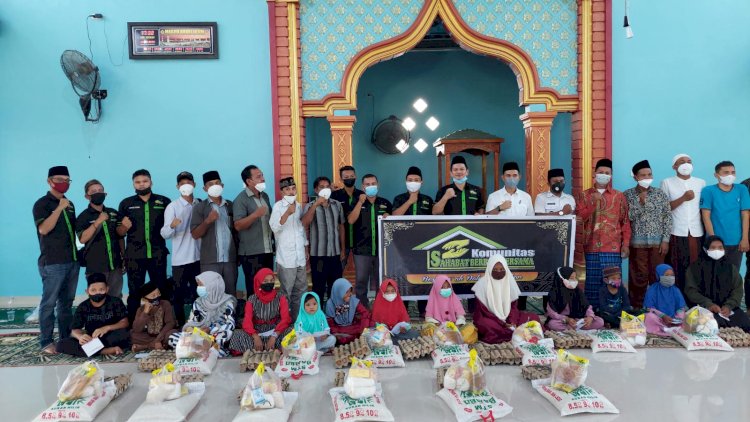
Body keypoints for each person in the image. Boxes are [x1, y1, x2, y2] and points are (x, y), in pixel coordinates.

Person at [33, 165, 80, 354]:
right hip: (53, 262)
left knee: (66, 303)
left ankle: (65, 339)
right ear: (49, 181)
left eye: (67, 180)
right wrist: (59, 208)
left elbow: (73, 232)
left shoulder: (70, 204)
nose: (64, 183)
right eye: (59, 180)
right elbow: (44, 229)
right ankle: (46, 341)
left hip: (72, 260)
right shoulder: (42, 204)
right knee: (49, 304)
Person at [576, 158, 631, 306]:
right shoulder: (584, 195)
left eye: (607, 173)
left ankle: (613, 311)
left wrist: (626, 244)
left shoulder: (619, 196)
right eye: (601, 172)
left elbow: (625, 222)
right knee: (592, 284)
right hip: (591, 247)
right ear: (594, 174)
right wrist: (593, 203)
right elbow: (580, 218)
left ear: (611, 176)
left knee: (613, 283)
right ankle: (592, 313)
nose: (604, 175)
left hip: (613, 247)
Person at [118, 169, 171, 321]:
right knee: (134, 292)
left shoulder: (164, 202)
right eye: (138, 182)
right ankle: (133, 326)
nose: (141, 185)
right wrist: (124, 227)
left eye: (145, 181)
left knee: (162, 290)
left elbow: (170, 227)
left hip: (157, 254)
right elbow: (120, 233)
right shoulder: (126, 203)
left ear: (151, 182)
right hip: (134, 256)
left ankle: (165, 324)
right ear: (133, 184)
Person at [623, 160, 672, 308]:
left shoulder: (660, 194)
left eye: (649, 174)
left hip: (658, 244)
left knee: (657, 275)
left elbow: (667, 217)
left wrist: (665, 240)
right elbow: (627, 218)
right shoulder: (627, 195)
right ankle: (637, 307)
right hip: (637, 244)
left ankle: (657, 307)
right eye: (643, 175)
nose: (647, 177)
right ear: (635, 177)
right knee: (638, 276)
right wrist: (640, 203)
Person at [700, 161, 750, 304]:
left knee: (732, 275)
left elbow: (745, 214)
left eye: (733, 172)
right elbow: (706, 215)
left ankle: (730, 306)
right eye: (726, 172)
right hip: (716, 243)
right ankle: (712, 306)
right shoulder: (708, 191)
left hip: (736, 242)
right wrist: (713, 239)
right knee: (712, 275)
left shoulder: (741, 189)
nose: (730, 175)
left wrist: (745, 238)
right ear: (716, 175)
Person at [160, 171, 200, 326]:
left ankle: (199, 323)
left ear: (194, 184)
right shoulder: (173, 207)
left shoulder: (199, 203)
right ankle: (181, 325)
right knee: (179, 295)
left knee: (199, 294)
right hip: (180, 260)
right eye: (182, 184)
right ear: (178, 187)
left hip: (198, 258)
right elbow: (165, 234)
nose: (186, 186)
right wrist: (172, 225)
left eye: (189, 183)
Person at [685, 236, 750, 332]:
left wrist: (729, 305)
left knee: (744, 322)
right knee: (709, 324)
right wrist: (708, 304)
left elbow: (737, 289)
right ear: (705, 249)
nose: (717, 250)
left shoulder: (730, 268)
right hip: (703, 308)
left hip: (727, 310)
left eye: (720, 248)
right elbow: (691, 291)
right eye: (713, 248)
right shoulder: (694, 269)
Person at [661, 154, 706, 291]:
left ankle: (694, 297)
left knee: (695, 266)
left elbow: (704, 208)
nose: (686, 164)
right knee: (677, 266)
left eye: (689, 161)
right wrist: (683, 198)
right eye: (682, 162)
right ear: (674, 166)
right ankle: (678, 297)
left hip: (696, 231)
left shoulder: (701, 183)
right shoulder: (667, 182)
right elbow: (664, 209)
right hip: (676, 231)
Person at [56, 273, 130, 356]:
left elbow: (125, 322)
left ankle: (93, 350)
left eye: (101, 289)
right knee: (61, 345)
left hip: (111, 336)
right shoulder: (83, 307)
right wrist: (80, 337)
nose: (97, 293)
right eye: (93, 290)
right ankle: (104, 351)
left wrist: (107, 328)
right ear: (87, 291)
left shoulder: (115, 302)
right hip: (92, 339)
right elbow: (74, 330)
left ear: (107, 289)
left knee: (125, 334)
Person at [472, 255, 540, 343]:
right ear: (489, 269)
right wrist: (503, 323)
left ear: (506, 269)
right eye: (495, 269)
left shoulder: (510, 282)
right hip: (489, 318)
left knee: (533, 317)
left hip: (508, 318)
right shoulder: (482, 284)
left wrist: (512, 322)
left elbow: (513, 307)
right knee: (487, 325)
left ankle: (513, 331)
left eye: (501, 269)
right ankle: (516, 332)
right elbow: (483, 311)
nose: (498, 272)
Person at [347, 174, 392, 306]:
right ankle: (363, 309)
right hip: (362, 250)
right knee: (361, 282)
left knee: (381, 282)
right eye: (367, 184)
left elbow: (393, 224)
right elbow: (351, 220)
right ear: (363, 187)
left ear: (378, 185)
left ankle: (380, 308)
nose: (371, 186)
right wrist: (360, 202)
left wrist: (388, 216)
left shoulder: (385, 203)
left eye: (373, 183)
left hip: (381, 250)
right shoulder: (356, 202)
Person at [191, 170, 238, 296]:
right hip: (210, 261)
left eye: (217, 183)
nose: (215, 186)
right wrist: (208, 221)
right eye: (210, 184)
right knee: (211, 295)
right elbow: (195, 234)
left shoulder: (230, 205)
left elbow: (236, 232)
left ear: (222, 186)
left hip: (230, 260)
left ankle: (231, 310)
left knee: (230, 294)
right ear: (205, 188)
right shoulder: (199, 207)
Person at [168, 271, 237, 356]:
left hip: (215, 335)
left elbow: (230, 324)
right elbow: (192, 321)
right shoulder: (198, 302)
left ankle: (197, 350)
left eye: (201, 285)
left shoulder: (227, 302)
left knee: (227, 333)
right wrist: (192, 329)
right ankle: (204, 351)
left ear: (212, 286)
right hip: (199, 335)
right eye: (198, 285)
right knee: (172, 338)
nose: (198, 288)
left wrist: (210, 329)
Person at [76, 179, 124, 298]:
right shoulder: (83, 217)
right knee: (97, 298)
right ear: (87, 196)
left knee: (116, 298)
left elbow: (120, 237)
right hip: (95, 266)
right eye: (94, 191)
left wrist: (124, 256)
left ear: (105, 193)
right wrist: (97, 222)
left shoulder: (113, 213)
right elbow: (82, 239)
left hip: (115, 265)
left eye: (100, 190)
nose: (98, 193)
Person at [302, 176, 345, 302]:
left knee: (335, 287)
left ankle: (333, 312)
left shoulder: (337, 205)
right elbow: (305, 223)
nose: (325, 189)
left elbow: (341, 227)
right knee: (318, 287)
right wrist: (316, 204)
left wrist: (343, 249)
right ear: (316, 190)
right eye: (322, 187)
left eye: (327, 186)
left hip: (335, 254)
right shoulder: (310, 206)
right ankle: (318, 312)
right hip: (318, 256)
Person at [229, 268, 292, 352]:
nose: (269, 283)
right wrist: (255, 336)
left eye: (271, 280)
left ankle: (260, 348)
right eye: (265, 281)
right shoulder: (252, 299)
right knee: (236, 334)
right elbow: (247, 320)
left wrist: (274, 336)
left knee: (291, 331)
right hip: (257, 331)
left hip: (275, 330)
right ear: (259, 282)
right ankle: (268, 347)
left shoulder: (280, 297)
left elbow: (285, 319)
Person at [270, 177, 308, 319]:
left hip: (300, 257)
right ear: (282, 192)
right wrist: (287, 213)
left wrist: (305, 247)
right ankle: (284, 321)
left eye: (293, 188)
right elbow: (274, 227)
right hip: (286, 258)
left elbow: (300, 228)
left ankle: (297, 319)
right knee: (286, 292)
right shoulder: (278, 207)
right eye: (287, 189)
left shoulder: (298, 206)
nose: (291, 192)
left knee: (301, 291)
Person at [233, 165, 274, 297]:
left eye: (262, 175)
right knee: (254, 289)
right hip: (251, 253)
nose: (263, 178)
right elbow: (238, 225)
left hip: (267, 250)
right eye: (258, 176)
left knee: (268, 287)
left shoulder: (265, 196)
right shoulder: (241, 199)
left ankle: (268, 310)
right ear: (249, 181)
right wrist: (255, 215)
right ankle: (254, 311)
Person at [546, 267, 604, 331]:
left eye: (575, 278)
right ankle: (574, 328)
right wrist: (567, 319)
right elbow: (551, 313)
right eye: (571, 278)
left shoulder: (577, 291)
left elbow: (587, 306)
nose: (574, 280)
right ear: (562, 279)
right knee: (552, 324)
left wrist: (590, 317)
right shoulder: (554, 293)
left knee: (600, 321)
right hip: (563, 320)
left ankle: (572, 328)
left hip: (578, 319)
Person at [331, 166, 364, 268]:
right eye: (346, 177)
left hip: (360, 241)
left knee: (363, 272)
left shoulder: (362, 195)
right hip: (340, 242)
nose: (349, 178)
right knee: (337, 271)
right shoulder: (334, 195)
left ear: (356, 177)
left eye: (352, 176)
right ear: (341, 179)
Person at [131, 281, 178, 351]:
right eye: (153, 296)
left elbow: (170, 323)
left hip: (164, 334)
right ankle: (159, 345)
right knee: (133, 335)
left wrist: (158, 340)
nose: (157, 297)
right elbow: (137, 329)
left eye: (158, 293)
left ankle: (145, 346)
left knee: (172, 334)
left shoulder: (165, 304)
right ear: (144, 299)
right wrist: (145, 312)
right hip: (149, 337)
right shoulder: (141, 309)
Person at [643, 264, 687, 336]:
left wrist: (676, 319)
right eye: (666, 275)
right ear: (659, 276)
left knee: (684, 315)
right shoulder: (653, 289)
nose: (670, 277)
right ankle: (664, 329)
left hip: (673, 320)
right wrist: (662, 316)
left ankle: (673, 328)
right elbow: (649, 308)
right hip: (658, 318)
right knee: (649, 317)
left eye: (672, 275)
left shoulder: (675, 290)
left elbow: (681, 307)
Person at [371, 279, 420, 343]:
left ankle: (391, 341)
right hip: (383, 333)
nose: (390, 293)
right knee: (375, 336)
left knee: (415, 334)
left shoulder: (399, 302)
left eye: (392, 291)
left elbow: (405, 322)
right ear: (382, 292)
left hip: (398, 333)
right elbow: (374, 323)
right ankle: (393, 340)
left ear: (396, 291)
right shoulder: (378, 304)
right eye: (387, 291)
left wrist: (403, 328)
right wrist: (382, 328)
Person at [325, 278, 371, 344]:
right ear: (338, 292)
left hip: (353, 326)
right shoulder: (330, 303)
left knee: (370, 323)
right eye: (346, 292)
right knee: (335, 336)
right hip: (339, 329)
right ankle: (351, 339)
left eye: (350, 291)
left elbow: (365, 313)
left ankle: (353, 338)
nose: (349, 294)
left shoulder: (352, 300)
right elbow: (330, 322)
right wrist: (336, 332)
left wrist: (363, 328)